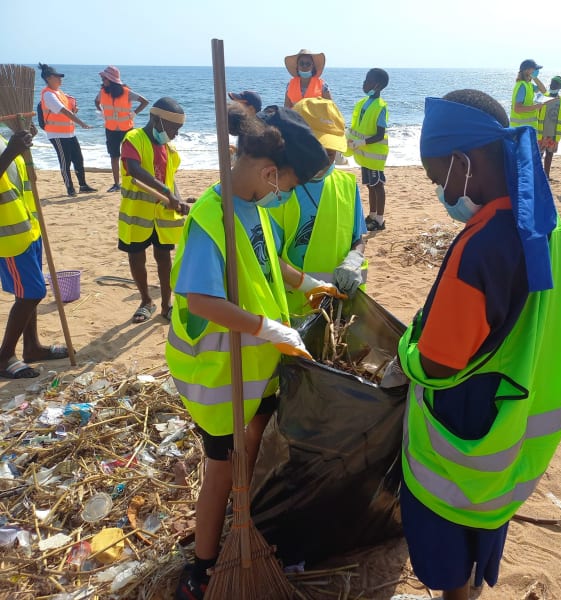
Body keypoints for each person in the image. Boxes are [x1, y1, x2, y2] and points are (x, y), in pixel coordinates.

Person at [396, 89, 561, 600]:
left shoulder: (480, 247)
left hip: (461, 440)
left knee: (449, 552)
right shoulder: (542, 220)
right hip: (512, 420)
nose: (440, 193)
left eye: (437, 180)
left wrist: (406, 347)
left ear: (463, 164)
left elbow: (436, 360)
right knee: (480, 537)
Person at [169, 104, 329, 600]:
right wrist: (268, 328)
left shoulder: (252, 208)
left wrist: (311, 283)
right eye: (283, 185)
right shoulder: (210, 219)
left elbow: (269, 262)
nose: (280, 195)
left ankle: (242, 512)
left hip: (256, 368)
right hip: (218, 375)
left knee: (252, 439)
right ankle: (201, 566)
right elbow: (201, 299)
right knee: (220, 467)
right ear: (267, 171)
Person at [267, 97, 367, 317]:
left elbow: (357, 237)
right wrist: (308, 285)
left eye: (330, 153)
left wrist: (354, 259)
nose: (322, 161)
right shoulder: (277, 190)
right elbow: (266, 255)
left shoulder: (347, 185)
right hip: (292, 308)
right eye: (316, 151)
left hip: (341, 305)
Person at [0, 129, 68, 379]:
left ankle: (32, 347)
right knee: (32, 293)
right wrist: (10, 151)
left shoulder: (2, 135)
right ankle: (4, 356)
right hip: (8, 235)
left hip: (26, 226)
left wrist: (23, 140)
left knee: (28, 291)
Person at [119, 98, 190, 324]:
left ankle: (166, 304)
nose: (175, 134)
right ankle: (146, 301)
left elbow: (171, 178)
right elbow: (134, 169)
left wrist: (178, 199)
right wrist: (165, 191)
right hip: (137, 215)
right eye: (173, 128)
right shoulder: (133, 139)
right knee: (136, 258)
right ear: (157, 120)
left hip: (162, 217)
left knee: (163, 258)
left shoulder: (169, 149)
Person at [38, 63, 96, 197]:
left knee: (78, 159)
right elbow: (63, 111)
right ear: (48, 78)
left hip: (69, 133)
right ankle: (70, 188)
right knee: (65, 161)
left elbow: (68, 110)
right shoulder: (48, 94)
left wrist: (74, 110)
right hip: (56, 134)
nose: (60, 79)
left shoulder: (59, 93)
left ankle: (83, 185)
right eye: (57, 77)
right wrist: (81, 123)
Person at [94, 66, 149, 193]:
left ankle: (133, 181)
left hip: (126, 129)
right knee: (114, 156)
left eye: (104, 78)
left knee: (131, 157)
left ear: (111, 79)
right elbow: (96, 101)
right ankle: (116, 184)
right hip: (110, 129)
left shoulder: (126, 92)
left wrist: (134, 113)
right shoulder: (102, 92)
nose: (102, 80)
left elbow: (144, 101)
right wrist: (101, 111)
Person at [347, 68, 389, 232]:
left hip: (374, 155)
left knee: (378, 185)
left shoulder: (380, 107)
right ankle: (372, 215)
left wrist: (361, 142)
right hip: (364, 155)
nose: (364, 83)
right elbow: (358, 125)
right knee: (370, 186)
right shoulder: (363, 103)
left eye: (367, 80)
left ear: (377, 85)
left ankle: (379, 219)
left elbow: (379, 134)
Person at [537, 75, 561, 179]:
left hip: (554, 134)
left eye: (555, 83)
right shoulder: (543, 97)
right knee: (539, 155)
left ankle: (546, 175)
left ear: (560, 86)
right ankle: (538, 175)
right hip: (542, 133)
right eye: (551, 82)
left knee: (549, 154)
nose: (552, 85)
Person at [510, 59, 547, 130]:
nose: (536, 71)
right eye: (534, 69)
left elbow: (543, 90)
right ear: (527, 70)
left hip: (528, 128)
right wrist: (536, 107)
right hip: (520, 130)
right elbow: (517, 109)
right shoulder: (522, 86)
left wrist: (535, 78)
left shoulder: (529, 85)